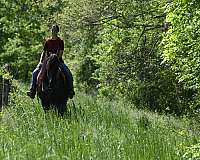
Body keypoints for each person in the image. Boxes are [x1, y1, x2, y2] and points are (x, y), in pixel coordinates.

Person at [27, 24, 75, 99]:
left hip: (57, 61)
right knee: (35, 72)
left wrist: (55, 59)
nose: (53, 31)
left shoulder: (60, 41)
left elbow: (60, 53)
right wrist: (40, 62)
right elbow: (44, 52)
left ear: (57, 31)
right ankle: (32, 90)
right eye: (52, 30)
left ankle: (70, 90)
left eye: (55, 30)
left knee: (68, 73)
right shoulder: (48, 41)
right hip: (46, 61)